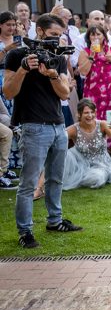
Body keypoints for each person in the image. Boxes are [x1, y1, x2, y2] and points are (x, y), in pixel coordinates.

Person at [3, 14, 83, 249]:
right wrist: (24, 69)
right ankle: (25, 230)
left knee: (56, 178)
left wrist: (52, 75)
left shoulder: (57, 58)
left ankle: (55, 221)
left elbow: (64, 93)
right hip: (32, 125)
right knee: (28, 183)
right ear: (39, 31)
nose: (57, 40)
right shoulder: (16, 55)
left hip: (58, 125)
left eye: (60, 36)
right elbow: (8, 92)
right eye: (53, 35)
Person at [76, 26, 111, 165]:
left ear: (104, 35)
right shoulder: (85, 52)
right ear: (88, 38)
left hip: (110, 93)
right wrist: (91, 56)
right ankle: (94, 152)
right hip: (93, 93)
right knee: (93, 119)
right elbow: (84, 72)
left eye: (98, 34)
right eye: (92, 35)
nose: (95, 37)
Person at [62, 98, 111, 190]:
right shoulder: (74, 129)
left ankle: (77, 178)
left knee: (97, 177)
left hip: (102, 165)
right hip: (80, 163)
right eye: (86, 113)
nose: (90, 115)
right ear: (79, 114)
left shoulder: (102, 125)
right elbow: (57, 139)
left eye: (92, 112)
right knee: (65, 154)